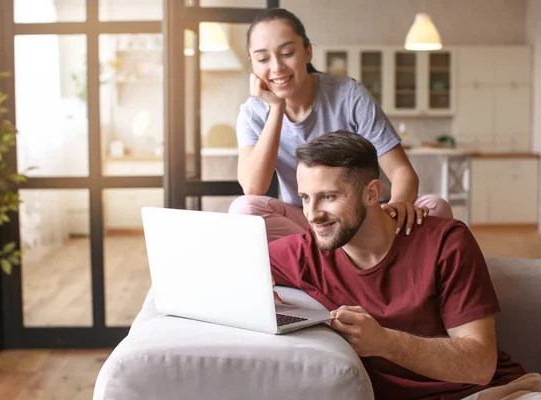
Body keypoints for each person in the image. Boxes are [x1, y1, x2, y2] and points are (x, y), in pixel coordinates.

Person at [269, 130, 541, 400]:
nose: (313, 214)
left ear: (372, 193)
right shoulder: (305, 253)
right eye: (305, 197)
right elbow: (230, 267)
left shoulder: (446, 242)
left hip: (490, 392)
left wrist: (384, 342)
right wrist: (257, 292)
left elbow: (480, 365)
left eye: (329, 196)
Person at [229, 7, 453, 242]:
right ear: (253, 65)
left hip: (367, 216)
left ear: (307, 51)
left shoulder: (348, 95)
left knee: (436, 208)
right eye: (263, 58)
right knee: (244, 210)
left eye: (286, 53)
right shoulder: (252, 114)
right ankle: (342, 262)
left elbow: (402, 171)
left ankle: (331, 263)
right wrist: (277, 108)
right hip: (310, 222)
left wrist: (397, 209)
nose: (276, 67)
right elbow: (253, 187)